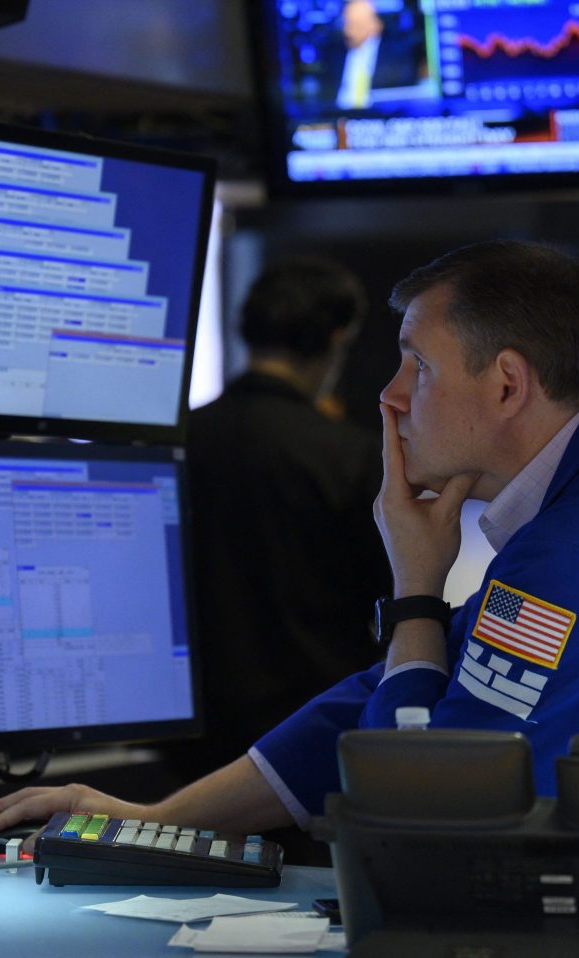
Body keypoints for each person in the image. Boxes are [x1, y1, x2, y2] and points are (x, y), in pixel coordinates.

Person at [0, 240, 579, 895]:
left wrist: (416, 583)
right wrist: (153, 819)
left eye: (416, 364)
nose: (389, 395)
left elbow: (409, 821)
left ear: (506, 385)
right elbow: (419, 681)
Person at [167, 256, 391, 781]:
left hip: (187, 738)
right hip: (308, 737)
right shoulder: (350, 456)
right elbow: (387, 599)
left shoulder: (177, 442)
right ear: (336, 340)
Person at [323, 0, 425, 110]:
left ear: (376, 25)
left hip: (379, 119)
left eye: (355, 25)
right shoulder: (333, 56)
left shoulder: (397, 57)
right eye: (346, 24)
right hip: (337, 119)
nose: (348, 31)